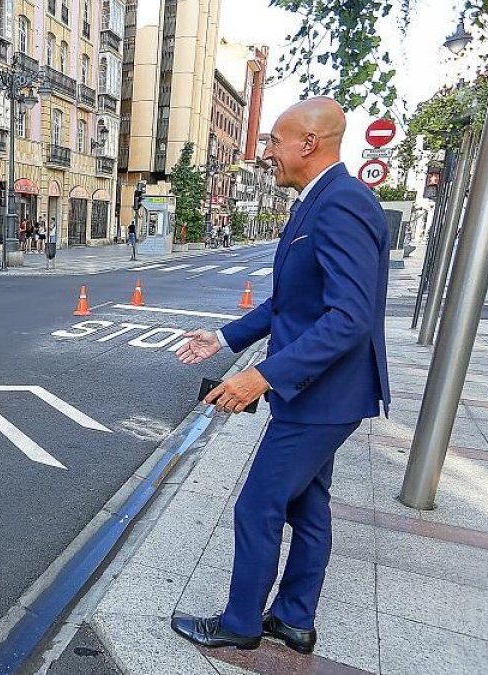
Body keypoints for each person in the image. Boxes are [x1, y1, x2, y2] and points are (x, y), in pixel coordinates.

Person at [172, 97, 390, 654]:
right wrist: (222, 339)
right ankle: (294, 619)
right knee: (307, 506)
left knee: (257, 504)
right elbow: (290, 304)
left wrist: (261, 377)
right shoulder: (316, 202)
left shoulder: (342, 203)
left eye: (273, 140)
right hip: (321, 394)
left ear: (308, 143)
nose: (267, 151)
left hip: (323, 395)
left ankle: (241, 625)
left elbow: (350, 317)